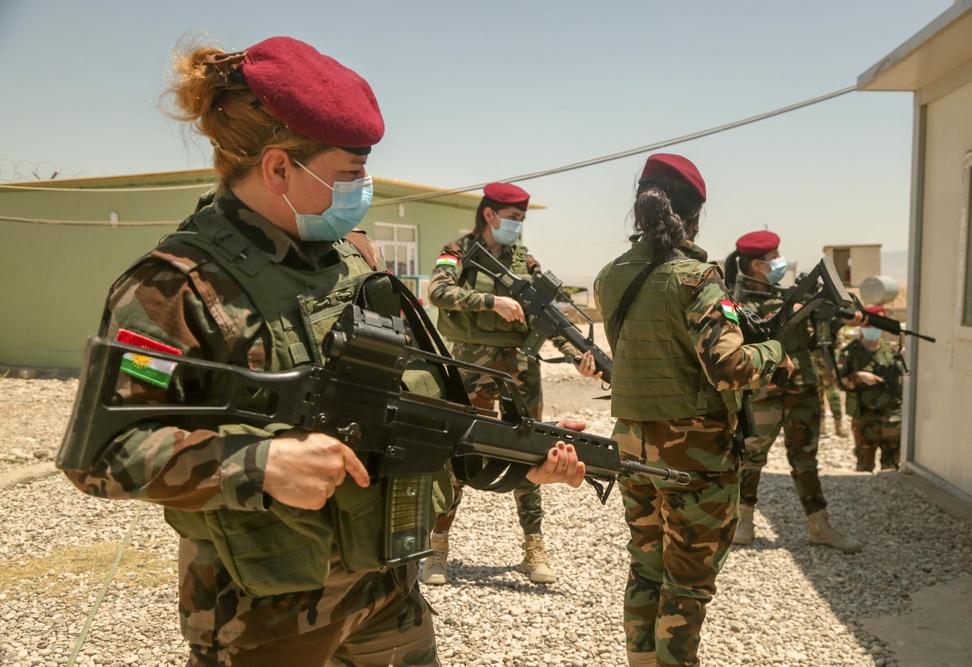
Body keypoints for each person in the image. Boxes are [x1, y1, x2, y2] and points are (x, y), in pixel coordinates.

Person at [59, 36, 586, 667]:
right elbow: (99, 456)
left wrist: (513, 453)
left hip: (388, 591)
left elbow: (404, 411)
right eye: (348, 174)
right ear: (280, 168)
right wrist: (257, 463)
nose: (362, 189)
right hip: (263, 619)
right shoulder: (174, 286)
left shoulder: (354, 260)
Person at [594, 154, 790, 667]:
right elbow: (726, 367)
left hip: (633, 446)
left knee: (646, 570)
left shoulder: (609, 275)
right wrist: (775, 353)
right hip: (695, 458)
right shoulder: (695, 276)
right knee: (687, 586)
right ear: (693, 215)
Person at [425, 182, 600, 585]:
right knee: (459, 449)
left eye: (522, 220)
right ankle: (437, 545)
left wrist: (577, 355)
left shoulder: (526, 261)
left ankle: (533, 545)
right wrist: (492, 302)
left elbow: (547, 316)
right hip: (470, 363)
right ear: (490, 214)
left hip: (521, 366)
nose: (517, 226)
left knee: (533, 449)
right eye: (513, 218)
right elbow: (437, 291)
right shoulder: (458, 250)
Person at [724, 230, 863, 554]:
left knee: (806, 460)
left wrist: (845, 316)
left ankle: (819, 526)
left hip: (803, 389)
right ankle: (742, 522)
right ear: (758, 265)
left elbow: (818, 336)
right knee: (752, 459)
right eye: (774, 258)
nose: (779, 263)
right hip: (763, 392)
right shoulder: (736, 303)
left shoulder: (795, 295)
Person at [838, 305, 905, 472]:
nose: (873, 330)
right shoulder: (850, 352)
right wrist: (858, 377)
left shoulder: (894, 351)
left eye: (878, 326)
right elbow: (839, 381)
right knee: (863, 466)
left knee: (891, 468)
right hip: (865, 417)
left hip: (892, 417)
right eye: (870, 326)